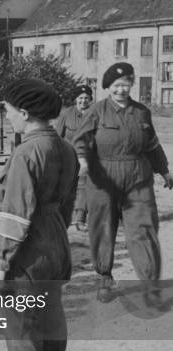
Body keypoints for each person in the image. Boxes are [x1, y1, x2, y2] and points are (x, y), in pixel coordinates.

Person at [0, 78, 78, 351]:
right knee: (51, 316)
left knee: (20, 324)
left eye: (8, 112)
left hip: (26, 251)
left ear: (24, 113)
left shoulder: (27, 151)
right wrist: (54, 233)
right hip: (55, 241)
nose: (7, 118)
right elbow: (68, 205)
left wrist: (0, 264)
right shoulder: (66, 149)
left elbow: (15, 214)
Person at [73, 62, 173, 306]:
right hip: (103, 177)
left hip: (137, 177)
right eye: (117, 86)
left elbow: (152, 145)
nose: (121, 90)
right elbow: (80, 140)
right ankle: (105, 277)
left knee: (144, 230)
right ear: (108, 87)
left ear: (132, 84)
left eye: (126, 85)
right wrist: (83, 160)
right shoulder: (96, 111)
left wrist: (165, 171)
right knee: (103, 228)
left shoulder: (141, 112)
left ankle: (150, 284)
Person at [55, 85, 93, 230]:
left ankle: (80, 218)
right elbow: (58, 136)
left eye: (86, 98)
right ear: (76, 99)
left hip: (87, 156)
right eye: (80, 98)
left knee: (83, 184)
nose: (83, 101)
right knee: (67, 186)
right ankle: (65, 217)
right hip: (68, 156)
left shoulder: (94, 114)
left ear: (90, 99)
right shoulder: (66, 114)